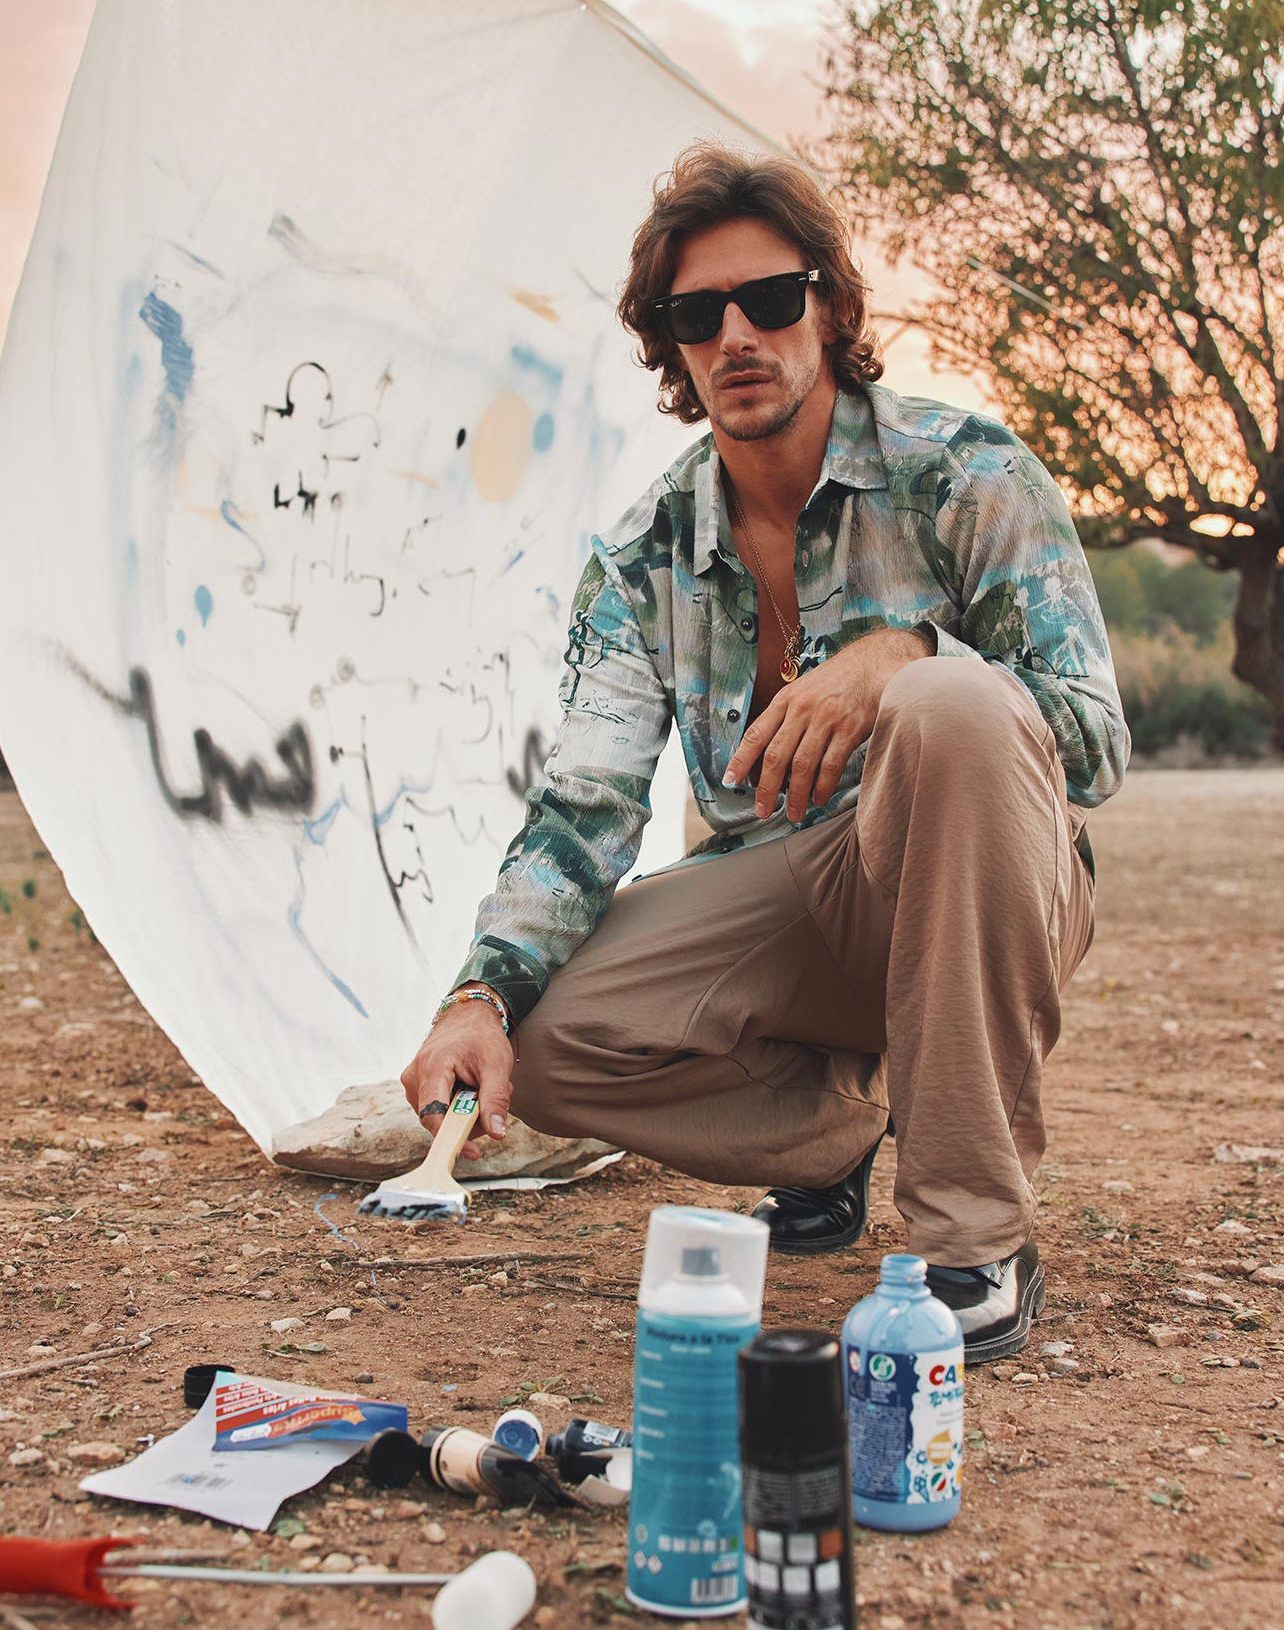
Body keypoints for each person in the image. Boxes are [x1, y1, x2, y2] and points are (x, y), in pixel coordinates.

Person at [400, 143, 1129, 1362]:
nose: (737, 333)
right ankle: (835, 1132)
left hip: (990, 875)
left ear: (831, 308)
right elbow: (583, 810)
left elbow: (1092, 741)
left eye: (770, 298)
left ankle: (973, 1239)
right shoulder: (639, 557)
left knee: (950, 710)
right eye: (697, 315)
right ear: (672, 349)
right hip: (797, 901)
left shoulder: (967, 472)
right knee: (546, 1040)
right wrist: (476, 995)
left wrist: (909, 652)